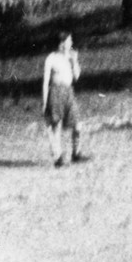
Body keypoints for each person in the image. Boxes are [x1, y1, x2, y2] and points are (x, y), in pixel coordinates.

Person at [42, 31, 85, 167]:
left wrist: (75, 61)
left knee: (77, 124)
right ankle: (58, 157)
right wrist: (44, 102)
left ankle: (76, 153)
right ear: (62, 43)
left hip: (68, 91)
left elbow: (77, 77)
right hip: (55, 92)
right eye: (69, 41)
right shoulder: (51, 58)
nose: (71, 43)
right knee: (56, 125)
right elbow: (45, 81)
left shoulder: (71, 56)